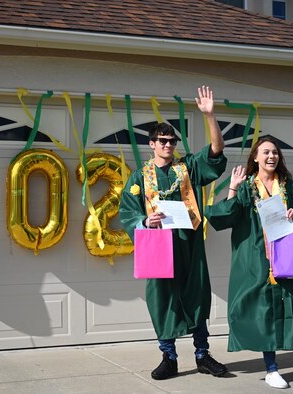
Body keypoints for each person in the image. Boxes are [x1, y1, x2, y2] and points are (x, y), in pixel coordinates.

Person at [119, 86, 228, 380]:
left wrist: (209, 115)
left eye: (172, 140)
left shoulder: (188, 167)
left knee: (196, 295)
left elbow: (216, 152)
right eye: (163, 140)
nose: (168, 144)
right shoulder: (139, 177)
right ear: (151, 143)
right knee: (163, 299)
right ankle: (168, 356)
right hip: (159, 246)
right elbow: (127, 211)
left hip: (188, 243)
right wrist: (144, 221)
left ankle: (203, 354)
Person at [204, 136, 293, 392]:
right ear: (255, 158)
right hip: (258, 260)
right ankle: (271, 369)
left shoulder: (291, 187)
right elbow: (224, 217)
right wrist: (233, 187)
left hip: (289, 258)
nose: (271, 156)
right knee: (264, 314)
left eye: (275, 152)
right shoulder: (247, 188)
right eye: (265, 152)